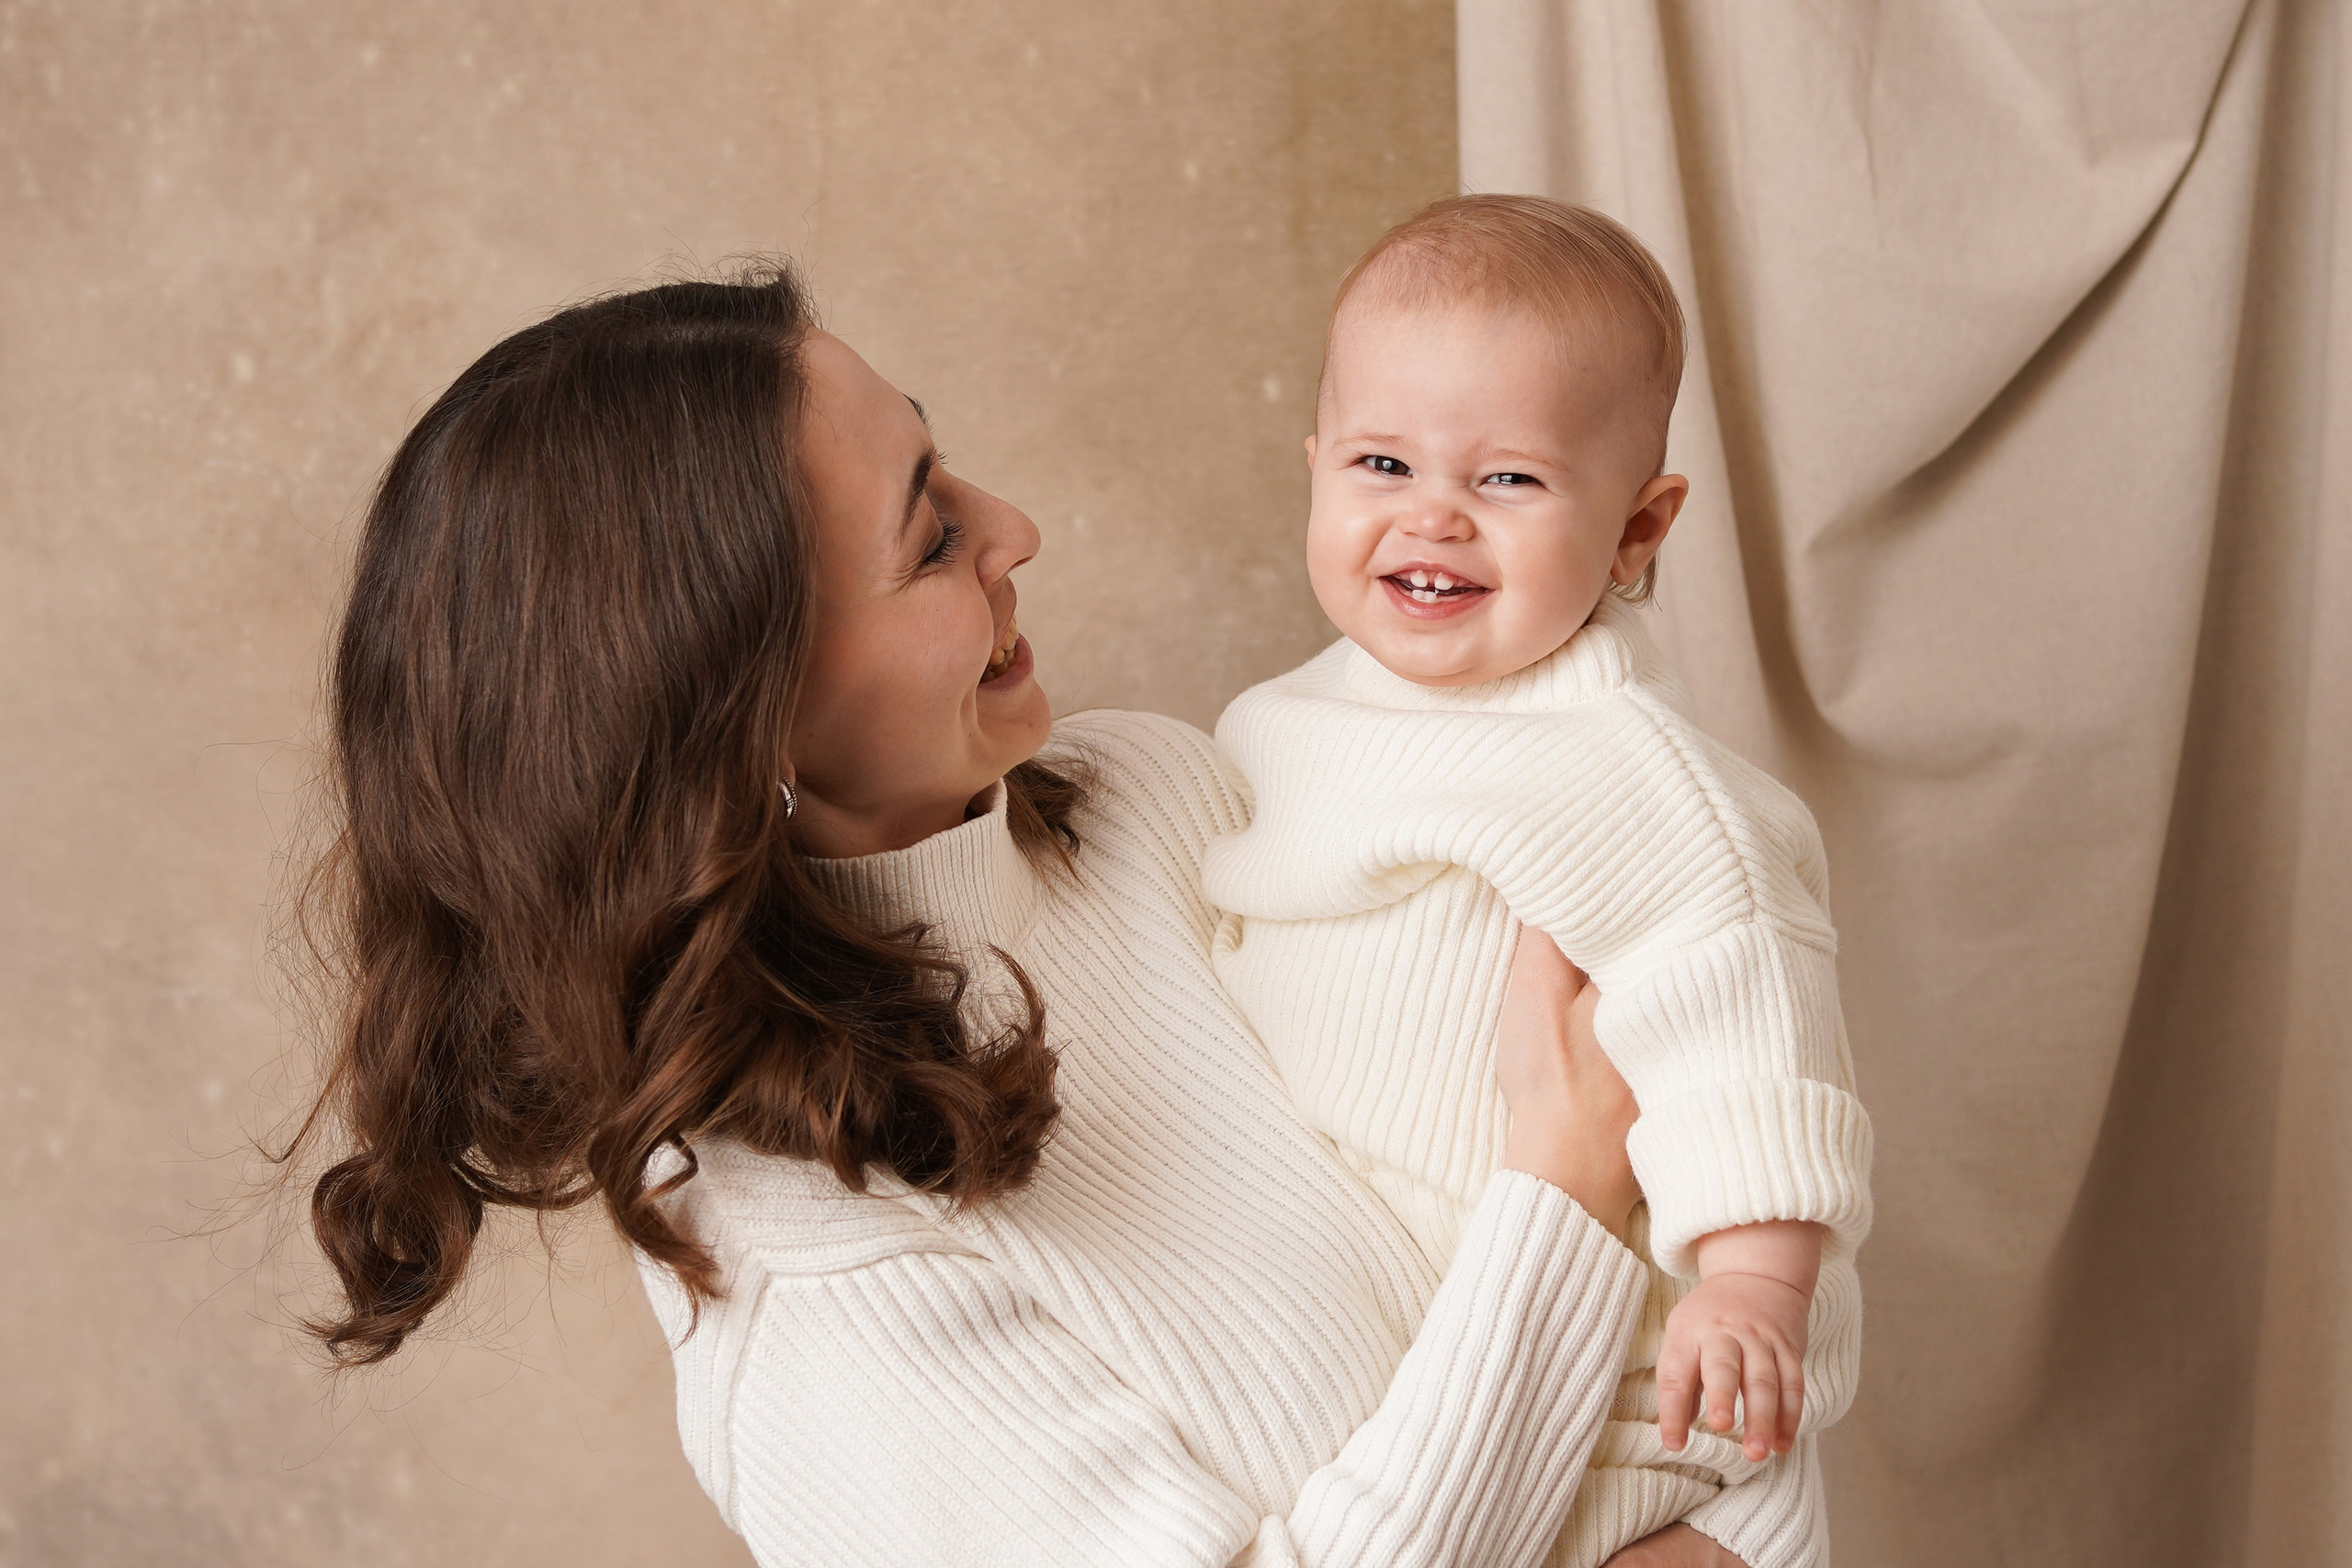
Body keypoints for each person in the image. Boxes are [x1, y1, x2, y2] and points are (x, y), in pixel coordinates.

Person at [288, 264, 1820, 1565]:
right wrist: (1561, 1195)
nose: (1012, 524)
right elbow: (1585, 1169)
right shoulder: (814, 1289)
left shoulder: (1160, 802)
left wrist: (1741, 1520)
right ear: (743, 728)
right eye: (931, 534)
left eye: (947, 467)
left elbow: (1723, 1124)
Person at [1204, 195, 1870, 1567]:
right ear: (1315, 467)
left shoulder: (1627, 769)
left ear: (1637, 530)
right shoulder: (1276, 726)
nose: (1432, 516)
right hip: (1411, 1359)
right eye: (1382, 463)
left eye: (1507, 479)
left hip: (1615, 1382)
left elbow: (1746, 1011)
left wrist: (1752, 1280)